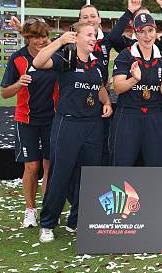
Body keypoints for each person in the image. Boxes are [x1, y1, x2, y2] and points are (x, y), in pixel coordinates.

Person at [32, 22, 113, 242]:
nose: (93, 38)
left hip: (93, 126)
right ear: (75, 37)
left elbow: (99, 87)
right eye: (88, 35)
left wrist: (107, 103)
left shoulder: (97, 63)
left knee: (88, 175)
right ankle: (48, 223)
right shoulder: (65, 58)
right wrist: (59, 41)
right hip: (68, 124)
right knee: (60, 174)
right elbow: (38, 62)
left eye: (94, 35)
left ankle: (76, 220)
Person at [0, 18, 56, 228]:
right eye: (35, 37)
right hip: (26, 120)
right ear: (27, 38)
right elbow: (5, 92)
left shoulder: (55, 52)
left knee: (49, 166)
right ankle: (30, 210)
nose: (41, 41)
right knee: (31, 166)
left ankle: (48, 211)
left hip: (52, 119)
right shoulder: (17, 59)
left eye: (44, 36)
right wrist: (18, 83)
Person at [109, 13, 162, 166]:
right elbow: (118, 88)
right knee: (122, 165)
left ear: (156, 31)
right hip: (128, 115)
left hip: (154, 115)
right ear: (135, 33)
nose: (147, 36)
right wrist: (134, 79)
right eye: (142, 31)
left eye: (150, 30)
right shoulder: (126, 56)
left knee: (157, 166)